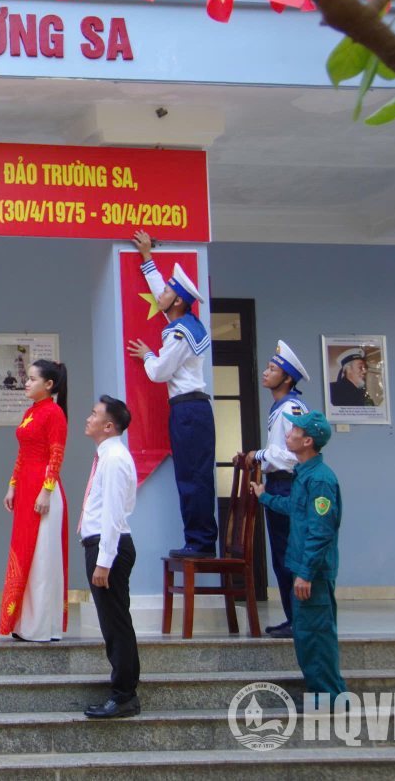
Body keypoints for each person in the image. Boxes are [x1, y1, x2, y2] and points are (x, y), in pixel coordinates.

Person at [126, 230, 217, 559]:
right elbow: (160, 293)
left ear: (177, 301)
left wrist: (148, 355)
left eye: (167, 291)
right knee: (192, 476)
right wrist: (147, 258)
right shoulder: (185, 322)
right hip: (191, 410)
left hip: (188, 411)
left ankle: (200, 543)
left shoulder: (179, 334)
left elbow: (159, 372)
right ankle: (198, 541)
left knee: (193, 478)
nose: (161, 293)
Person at [254, 409, 347, 707]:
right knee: (308, 639)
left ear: (307, 441)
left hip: (313, 575)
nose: (287, 433)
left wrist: (306, 574)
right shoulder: (305, 474)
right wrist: (264, 497)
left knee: (316, 640)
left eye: (294, 430)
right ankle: (324, 697)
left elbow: (321, 532)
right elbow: (294, 508)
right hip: (303, 570)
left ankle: (331, 700)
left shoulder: (320, 480)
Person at [78, 395, 141, 719]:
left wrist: (104, 561)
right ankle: (123, 692)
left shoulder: (114, 458)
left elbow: (114, 515)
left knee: (116, 624)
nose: (88, 418)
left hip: (109, 547)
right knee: (113, 622)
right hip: (102, 545)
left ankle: (124, 695)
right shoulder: (107, 456)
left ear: (109, 426)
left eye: (94, 414)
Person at [0, 360, 70, 642]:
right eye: (26, 378)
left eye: (31, 379)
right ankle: (23, 623)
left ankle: (41, 627)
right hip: (27, 489)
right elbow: (22, 454)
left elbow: (57, 454)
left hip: (43, 492)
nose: (26, 383)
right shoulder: (31, 412)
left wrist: (46, 491)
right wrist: (12, 487)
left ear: (48, 384)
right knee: (25, 554)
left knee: (42, 559)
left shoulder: (54, 413)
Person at [244, 340, 310, 640]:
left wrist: (258, 455)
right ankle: (293, 618)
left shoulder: (291, 408)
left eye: (273, 369)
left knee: (289, 555)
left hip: (288, 485)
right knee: (282, 556)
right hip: (279, 484)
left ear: (286, 379)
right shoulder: (282, 406)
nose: (266, 372)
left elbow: (293, 455)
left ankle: (300, 620)